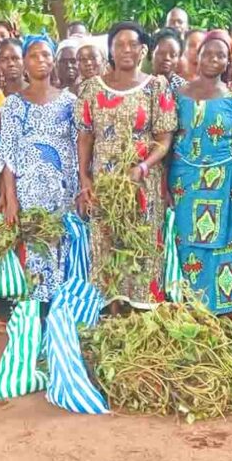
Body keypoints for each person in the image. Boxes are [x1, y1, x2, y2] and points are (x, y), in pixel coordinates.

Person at [76, 21, 177, 309]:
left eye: (133, 44)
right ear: (109, 50)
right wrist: (85, 177)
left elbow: (164, 140)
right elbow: (85, 136)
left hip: (143, 182)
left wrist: (142, 168)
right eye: (119, 44)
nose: (126, 50)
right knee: (107, 242)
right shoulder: (92, 89)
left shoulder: (157, 87)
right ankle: (111, 311)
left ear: (143, 49)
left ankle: (142, 313)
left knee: (142, 245)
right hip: (105, 183)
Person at [169, 30, 232, 314]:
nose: (214, 59)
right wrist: (163, 183)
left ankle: (222, 307)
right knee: (185, 241)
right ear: (198, 56)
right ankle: (187, 306)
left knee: (222, 242)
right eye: (208, 53)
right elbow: (166, 140)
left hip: (224, 181)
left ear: (227, 61)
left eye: (221, 55)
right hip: (185, 180)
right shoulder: (177, 93)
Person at [0, 33, 78, 305]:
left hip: (64, 191)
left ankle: (61, 307)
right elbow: (7, 155)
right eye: (34, 55)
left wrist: (79, 189)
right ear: (24, 63)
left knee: (62, 244)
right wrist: (10, 199)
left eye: (46, 54)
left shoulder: (70, 102)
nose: (40, 60)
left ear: (53, 61)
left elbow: (79, 147)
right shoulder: (13, 104)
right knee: (34, 246)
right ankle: (35, 310)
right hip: (28, 192)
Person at [151, 27, 185, 92]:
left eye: (173, 55)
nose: (167, 58)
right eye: (161, 53)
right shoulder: (141, 85)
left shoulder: (184, 89)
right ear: (152, 53)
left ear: (178, 59)